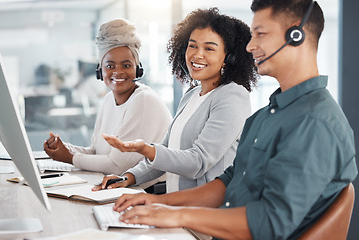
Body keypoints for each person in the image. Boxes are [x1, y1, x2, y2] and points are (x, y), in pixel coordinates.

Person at [105, 1, 358, 240]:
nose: (249, 46)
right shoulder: (269, 114)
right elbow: (230, 181)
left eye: (260, 34)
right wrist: (159, 202)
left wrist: (175, 214)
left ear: (296, 36)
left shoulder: (313, 123)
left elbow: (271, 222)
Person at [94, 8, 257, 193]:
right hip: (176, 208)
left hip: (206, 213)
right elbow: (166, 153)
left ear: (229, 57)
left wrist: (146, 149)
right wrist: (128, 177)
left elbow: (198, 161)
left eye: (209, 48)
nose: (197, 54)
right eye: (193, 45)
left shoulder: (233, 96)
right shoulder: (191, 95)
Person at [43, 19, 173, 180]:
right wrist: (65, 149)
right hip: (121, 187)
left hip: (149, 193)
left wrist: (70, 158)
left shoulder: (144, 100)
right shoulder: (108, 100)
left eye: (126, 65)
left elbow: (117, 167)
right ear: (100, 70)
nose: (118, 72)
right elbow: (96, 153)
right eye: (110, 66)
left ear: (138, 69)